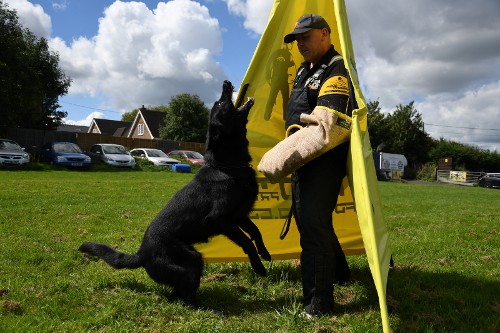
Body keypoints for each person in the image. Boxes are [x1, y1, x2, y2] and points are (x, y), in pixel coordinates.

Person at [281, 14, 354, 316]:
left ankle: (318, 303)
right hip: (302, 159)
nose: (300, 43)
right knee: (313, 222)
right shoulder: (304, 70)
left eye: (305, 37)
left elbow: (326, 126)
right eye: (296, 39)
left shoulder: (336, 69)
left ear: (325, 34)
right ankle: (341, 273)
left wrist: (285, 154)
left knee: (313, 227)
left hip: (323, 160)